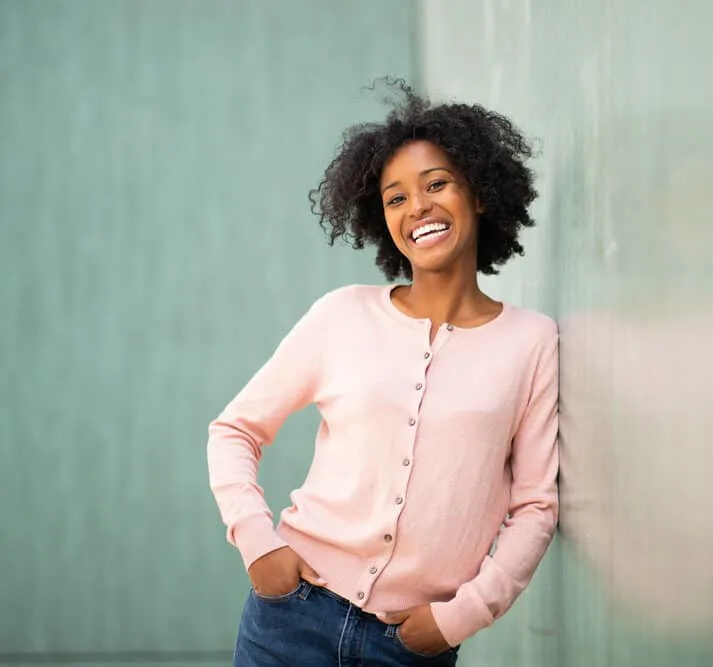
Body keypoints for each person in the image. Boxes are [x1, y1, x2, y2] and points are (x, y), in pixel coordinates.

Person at [206, 80, 559, 667]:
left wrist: (459, 617)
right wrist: (258, 543)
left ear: (480, 194)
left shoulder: (532, 341)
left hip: (411, 647)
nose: (417, 207)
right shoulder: (342, 314)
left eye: (437, 184)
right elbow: (234, 429)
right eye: (396, 198)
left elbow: (535, 507)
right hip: (290, 620)